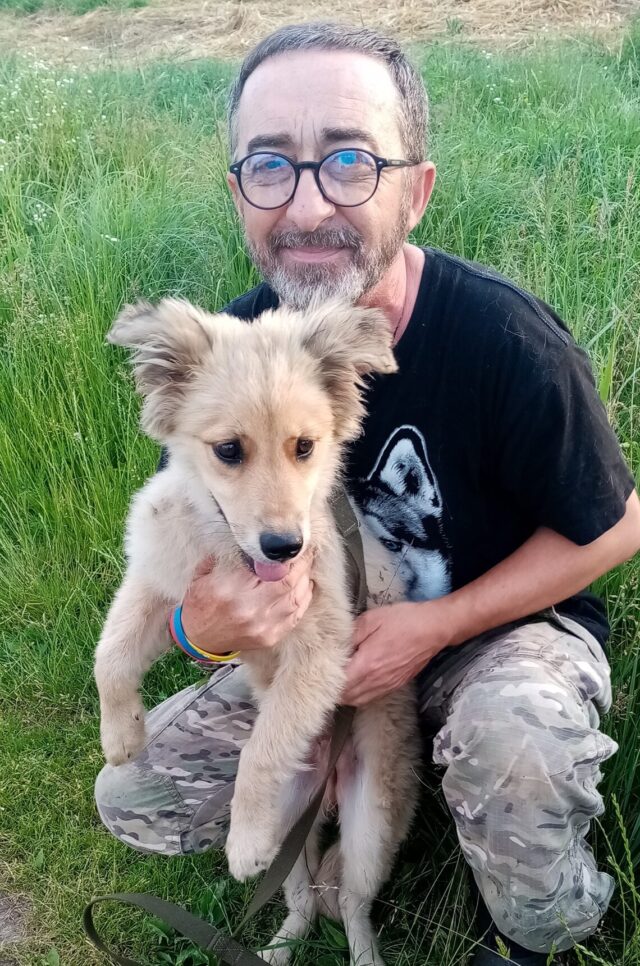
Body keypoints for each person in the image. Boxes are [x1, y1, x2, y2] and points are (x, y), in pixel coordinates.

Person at [94, 22, 640, 966]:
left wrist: (434, 629)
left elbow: (619, 526)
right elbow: (201, 533)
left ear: (416, 190)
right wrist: (198, 632)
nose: (308, 204)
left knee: (512, 743)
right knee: (134, 796)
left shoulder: (506, 344)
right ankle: (386, 806)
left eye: (350, 160)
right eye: (271, 165)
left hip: (498, 631)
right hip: (327, 647)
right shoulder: (237, 353)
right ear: (240, 197)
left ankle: (540, 930)